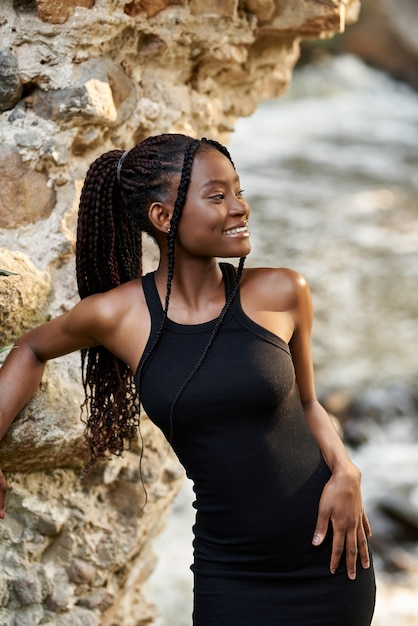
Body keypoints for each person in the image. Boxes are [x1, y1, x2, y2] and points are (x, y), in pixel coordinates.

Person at [0, 133, 375, 624]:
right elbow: (30, 347)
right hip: (232, 573)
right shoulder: (118, 316)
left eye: (238, 191)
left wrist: (347, 471)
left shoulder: (282, 290)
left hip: (330, 557)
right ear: (162, 217)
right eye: (218, 195)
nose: (239, 207)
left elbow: (308, 404)